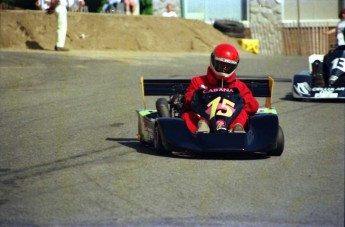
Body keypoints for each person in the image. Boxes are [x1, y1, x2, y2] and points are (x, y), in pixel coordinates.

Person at [181, 43, 259, 134]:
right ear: (213, 60)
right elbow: (188, 100)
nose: (224, 69)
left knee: (242, 113)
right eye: (221, 64)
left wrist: (240, 102)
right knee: (187, 116)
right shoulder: (198, 81)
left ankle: (237, 127)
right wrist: (200, 99)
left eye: (228, 66)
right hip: (205, 117)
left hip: (229, 117)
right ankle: (202, 128)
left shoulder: (239, 86)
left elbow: (253, 107)